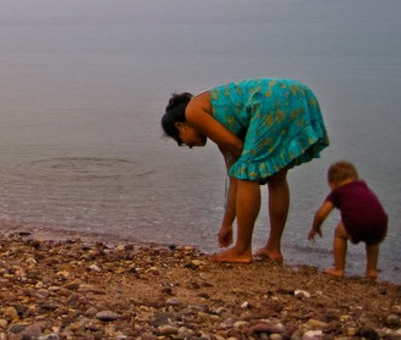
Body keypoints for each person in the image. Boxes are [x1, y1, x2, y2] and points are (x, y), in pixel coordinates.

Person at [161, 78, 329, 263]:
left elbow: (240, 153)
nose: (188, 145)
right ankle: (273, 248)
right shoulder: (216, 117)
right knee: (276, 178)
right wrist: (226, 224)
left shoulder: (192, 111)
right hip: (298, 93)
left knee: (247, 172)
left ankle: (242, 250)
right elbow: (235, 177)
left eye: (181, 141)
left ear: (180, 125)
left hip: (270, 101)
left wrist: (253, 171)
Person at [308, 161, 388, 279]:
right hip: (380, 222)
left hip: (357, 222)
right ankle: (371, 271)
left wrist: (315, 227)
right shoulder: (363, 186)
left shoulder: (338, 191)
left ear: (332, 184)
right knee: (372, 242)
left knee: (339, 233)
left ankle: (339, 269)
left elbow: (321, 213)